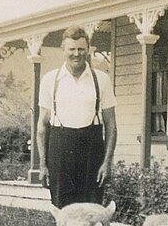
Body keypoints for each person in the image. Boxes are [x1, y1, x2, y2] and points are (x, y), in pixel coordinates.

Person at [36, 26, 117, 208]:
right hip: (60, 149)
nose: (76, 54)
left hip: (92, 150)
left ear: (87, 49)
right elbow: (42, 126)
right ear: (63, 50)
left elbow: (111, 125)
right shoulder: (50, 79)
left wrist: (107, 162)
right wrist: (43, 164)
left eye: (81, 49)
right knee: (62, 211)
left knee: (91, 210)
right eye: (71, 49)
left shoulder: (101, 79)